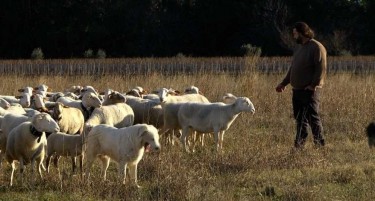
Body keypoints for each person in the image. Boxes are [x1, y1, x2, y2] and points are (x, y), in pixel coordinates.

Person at [275, 22, 327, 149]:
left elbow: (321, 68)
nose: (294, 36)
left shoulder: (316, 47)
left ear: (302, 32)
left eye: (295, 33)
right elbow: (293, 68)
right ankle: (299, 147)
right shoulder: (300, 48)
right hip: (297, 91)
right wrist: (284, 83)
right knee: (300, 120)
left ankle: (320, 146)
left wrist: (313, 85)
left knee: (313, 119)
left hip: (309, 91)